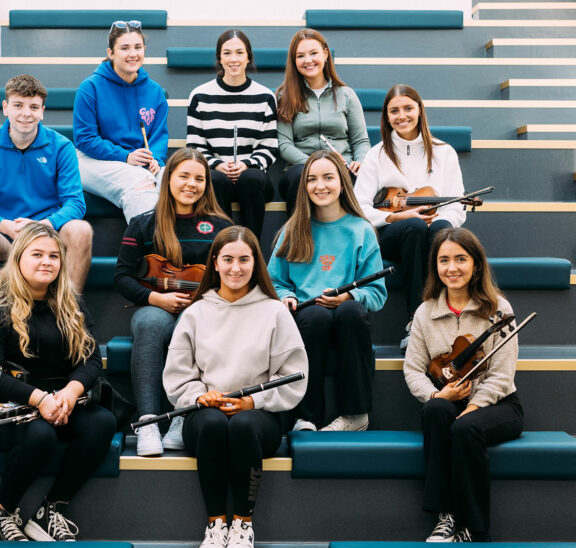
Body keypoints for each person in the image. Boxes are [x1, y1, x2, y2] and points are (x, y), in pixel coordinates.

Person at [0, 222, 116, 542]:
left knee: (102, 422)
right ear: (18, 259)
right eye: (37, 254)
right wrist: (40, 400)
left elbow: (91, 361)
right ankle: (1, 516)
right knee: (40, 435)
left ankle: (50, 511)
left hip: (57, 401)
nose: (47, 262)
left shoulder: (70, 303)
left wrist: (70, 394)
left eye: (54, 256)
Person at [163, 225, 308, 548]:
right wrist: (201, 396)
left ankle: (243, 524)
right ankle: (215, 525)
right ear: (215, 262)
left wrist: (252, 402)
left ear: (256, 264)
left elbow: (291, 377)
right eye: (227, 259)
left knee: (242, 426)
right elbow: (179, 377)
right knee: (213, 425)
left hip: (260, 415)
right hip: (205, 412)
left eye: (244, 260)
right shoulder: (195, 313)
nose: (236, 268)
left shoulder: (275, 312)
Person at [402, 227, 524, 543]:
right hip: (448, 395)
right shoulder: (425, 313)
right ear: (435, 267)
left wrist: (471, 408)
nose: (452, 268)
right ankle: (445, 517)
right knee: (435, 411)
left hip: (498, 404)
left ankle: (473, 527)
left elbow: (501, 374)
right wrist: (435, 394)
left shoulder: (499, 308)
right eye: (444, 260)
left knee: (465, 428)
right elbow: (413, 369)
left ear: (476, 264)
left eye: (460, 259)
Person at [0, 74, 93, 352]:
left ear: (43, 111)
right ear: (5, 108)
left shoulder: (61, 147)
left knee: (81, 229)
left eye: (33, 107)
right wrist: (4, 225)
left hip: (46, 237)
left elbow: (75, 203)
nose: (25, 114)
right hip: (5, 236)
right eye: (18, 106)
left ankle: (68, 317)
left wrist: (43, 225)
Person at [114, 148, 232, 456]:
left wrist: (203, 302)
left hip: (203, 307)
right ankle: (148, 421)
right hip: (155, 304)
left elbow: (230, 277)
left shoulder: (220, 226)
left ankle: (180, 416)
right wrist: (155, 298)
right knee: (150, 324)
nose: (191, 184)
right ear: (168, 180)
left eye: (199, 178)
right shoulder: (143, 223)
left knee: (190, 325)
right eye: (184, 176)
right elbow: (122, 277)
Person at [268, 150, 386, 432]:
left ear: (343, 182)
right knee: (317, 317)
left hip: (348, 318)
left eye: (328, 177)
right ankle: (306, 416)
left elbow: (376, 292)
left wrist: (350, 296)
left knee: (350, 311)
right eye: (312, 179)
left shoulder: (361, 229)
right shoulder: (294, 229)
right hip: (309, 319)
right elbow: (274, 281)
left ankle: (356, 414)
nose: (320, 186)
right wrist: (286, 297)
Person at [353, 84, 467, 350]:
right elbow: (360, 207)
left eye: (407, 108)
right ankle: (415, 321)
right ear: (386, 116)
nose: (401, 115)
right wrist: (393, 219)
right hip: (392, 232)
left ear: (419, 110)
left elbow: (456, 203)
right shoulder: (377, 154)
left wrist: (443, 222)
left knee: (439, 233)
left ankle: (444, 320)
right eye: (394, 111)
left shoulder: (444, 151)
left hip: (431, 230)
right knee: (414, 226)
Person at [187, 29, 278, 238]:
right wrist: (217, 165)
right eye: (227, 53)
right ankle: (224, 244)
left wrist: (247, 164)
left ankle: (250, 246)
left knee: (250, 178)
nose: (233, 59)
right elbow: (195, 145)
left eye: (239, 52)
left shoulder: (265, 96)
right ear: (219, 58)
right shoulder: (200, 96)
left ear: (248, 57)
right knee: (216, 180)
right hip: (217, 176)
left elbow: (270, 146)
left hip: (253, 179)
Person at [73, 20, 167, 223]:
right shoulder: (90, 87)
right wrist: (125, 156)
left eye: (138, 47)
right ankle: (148, 252)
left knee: (173, 180)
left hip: (138, 160)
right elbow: (85, 139)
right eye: (124, 48)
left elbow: (159, 136)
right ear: (111, 52)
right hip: (93, 160)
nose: (133, 54)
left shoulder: (155, 91)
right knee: (139, 182)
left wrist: (156, 161)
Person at [275, 29, 370, 213]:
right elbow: (285, 145)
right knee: (298, 176)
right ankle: (299, 239)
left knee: (354, 178)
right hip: (301, 168)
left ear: (325, 53)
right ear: (294, 61)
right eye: (300, 56)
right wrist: (314, 165)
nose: (308, 60)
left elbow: (361, 141)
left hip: (341, 166)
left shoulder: (346, 95)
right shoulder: (283, 96)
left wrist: (360, 160)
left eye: (313, 53)